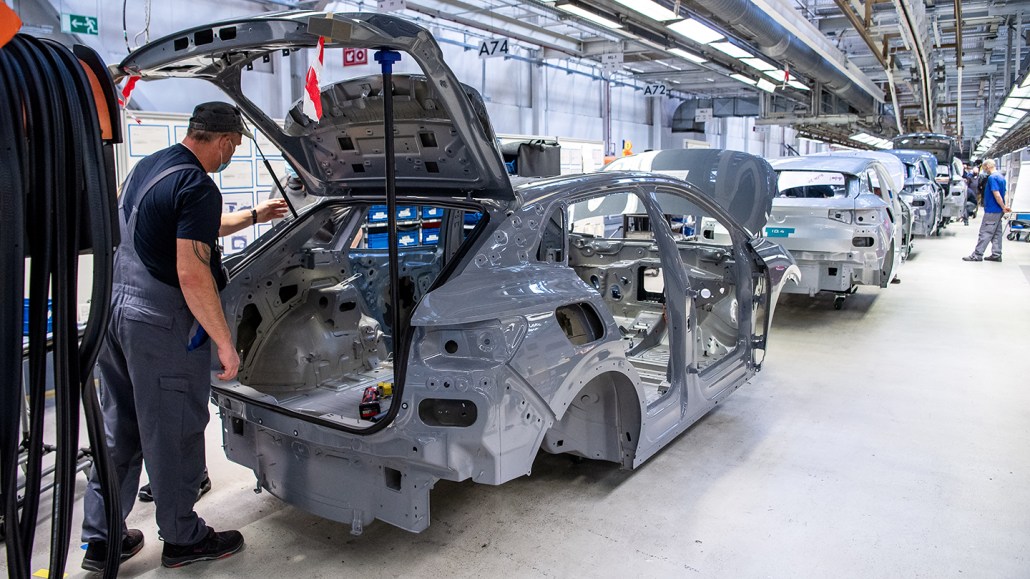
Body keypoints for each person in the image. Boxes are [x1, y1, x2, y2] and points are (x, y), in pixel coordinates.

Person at [80, 102, 287, 572]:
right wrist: (224, 341)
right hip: (159, 325)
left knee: (121, 431)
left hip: (113, 313)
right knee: (173, 431)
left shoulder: (150, 166)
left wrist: (255, 215)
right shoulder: (198, 184)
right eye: (232, 147)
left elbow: (180, 229)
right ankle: (182, 538)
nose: (230, 154)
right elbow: (192, 270)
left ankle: (103, 539)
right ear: (226, 141)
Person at [963, 159, 1010, 262]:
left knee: (985, 232)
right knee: (996, 233)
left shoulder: (992, 178)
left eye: (984, 167)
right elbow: (1005, 193)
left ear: (987, 166)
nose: (983, 169)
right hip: (998, 211)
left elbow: (996, 194)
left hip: (992, 210)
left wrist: (1002, 206)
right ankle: (996, 254)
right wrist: (1005, 206)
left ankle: (977, 255)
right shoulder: (1001, 177)